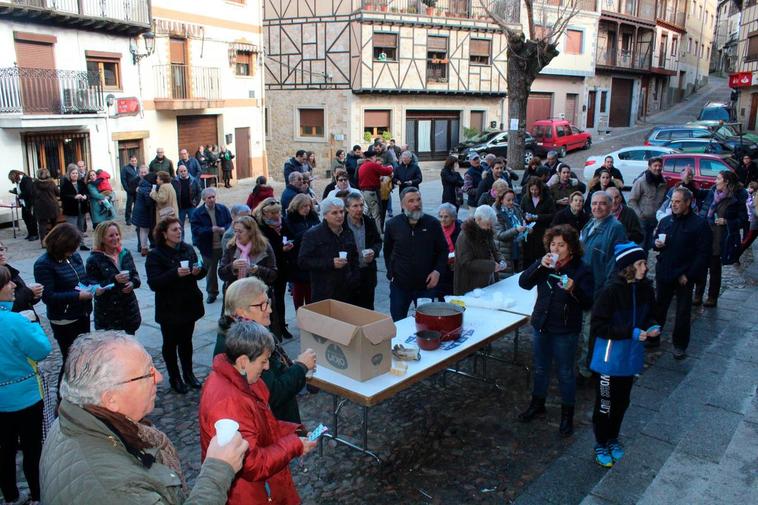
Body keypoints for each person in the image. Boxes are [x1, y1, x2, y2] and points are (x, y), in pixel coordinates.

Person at [40, 331, 248, 504]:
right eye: (147, 373)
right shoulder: (115, 490)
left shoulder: (72, 418)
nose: (159, 377)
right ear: (110, 399)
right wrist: (218, 470)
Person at [199, 321, 315, 505]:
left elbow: (264, 426)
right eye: (263, 361)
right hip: (250, 494)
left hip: (260, 489)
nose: (267, 367)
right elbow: (252, 464)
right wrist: (294, 445)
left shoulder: (245, 381)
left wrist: (295, 432)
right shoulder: (229, 403)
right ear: (243, 361)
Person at [518, 225, 594, 437]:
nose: (556, 248)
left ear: (571, 248)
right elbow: (523, 283)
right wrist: (538, 266)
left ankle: (567, 415)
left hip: (566, 328)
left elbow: (588, 302)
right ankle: (537, 404)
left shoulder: (582, 269)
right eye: (553, 244)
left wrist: (574, 289)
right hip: (542, 324)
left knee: (565, 373)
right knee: (540, 368)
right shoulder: (545, 265)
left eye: (561, 244)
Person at [589, 242, 659, 467]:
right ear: (628, 267)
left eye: (645, 263)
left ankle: (612, 438)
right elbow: (598, 326)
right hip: (609, 360)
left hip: (630, 358)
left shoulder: (646, 288)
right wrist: (630, 332)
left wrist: (653, 326)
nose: (645, 268)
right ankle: (600, 442)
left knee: (622, 402)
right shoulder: (610, 291)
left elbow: (651, 315)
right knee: (606, 404)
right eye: (640, 263)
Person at [214, 278, 316, 423]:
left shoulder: (245, 334)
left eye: (267, 302)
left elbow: (273, 373)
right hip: (274, 424)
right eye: (262, 305)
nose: (269, 309)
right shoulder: (245, 344)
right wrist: (301, 366)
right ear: (241, 311)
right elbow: (273, 394)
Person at [0, 266, 51, 505]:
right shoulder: (14, 321)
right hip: (26, 396)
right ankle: (38, 494)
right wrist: (31, 324)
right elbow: (42, 350)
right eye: (8, 283)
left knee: (4, 449)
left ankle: (9, 494)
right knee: (32, 448)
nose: (13, 287)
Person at [146, 217, 207, 394]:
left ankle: (189, 374)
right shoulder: (156, 254)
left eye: (180, 229)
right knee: (171, 344)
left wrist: (198, 271)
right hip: (169, 307)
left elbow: (201, 270)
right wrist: (175, 273)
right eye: (174, 229)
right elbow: (154, 283)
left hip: (189, 304)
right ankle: (175, 377)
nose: (179, 232)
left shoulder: (187, 249)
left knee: (186, 342)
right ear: (164, 234)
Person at [34, 223, 98, 389]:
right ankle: (63, 398)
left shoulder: (74, 256)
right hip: (64, 319)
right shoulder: (44, 264)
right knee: (70, 360)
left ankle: (82, 390)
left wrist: (94, 286)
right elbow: (49, 296)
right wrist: (78, 296)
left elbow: (83, 278)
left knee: (84, 356)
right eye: (71, 247)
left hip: (82, 313)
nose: (74, 250)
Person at [650, 187, 711, 358]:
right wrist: (656, 244)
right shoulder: (666, 221)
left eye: (677, 202)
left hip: (684, 276)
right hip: (664, 271)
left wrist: (689, 275)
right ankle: (654, 336)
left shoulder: (699, 224)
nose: (673, 205)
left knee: (683, 312)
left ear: (688, 202)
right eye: (672, 201)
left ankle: (680, 344)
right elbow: (654, 242)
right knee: (659, 308)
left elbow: (703, 254)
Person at [577, 191, 628, 381]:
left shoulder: (615, 228)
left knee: (591, 332)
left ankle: (587, 370)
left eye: (602, 204)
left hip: (599, 289)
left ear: (611, 206)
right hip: (584, 286)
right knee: (583, 329)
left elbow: (614, 265)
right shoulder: (591, 223)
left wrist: (605, 293)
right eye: (594, 204)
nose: (597, 207)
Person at [384, 188, 448, 321]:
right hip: (400, 286)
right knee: (398, 322)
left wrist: (437, 271)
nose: (416, 204)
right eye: (411, 201)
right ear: (402, 205)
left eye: (418, 200)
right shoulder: (392, 225)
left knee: (426, 322)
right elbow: (387, 252)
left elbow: (443, 250)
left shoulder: (433, 224)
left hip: (425, 286)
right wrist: (391, 274)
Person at [695, 170, 746, 307]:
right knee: (700, 267)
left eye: (718, 179)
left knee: (715, 269)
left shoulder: (735, 198)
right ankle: (698, 295)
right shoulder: (712, 193)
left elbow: (743, 219)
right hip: (705, 235)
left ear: (726, 182)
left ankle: (712, 297)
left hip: (720, 238)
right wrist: (687, 181)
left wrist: (727, 222)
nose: (715, 181)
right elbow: (698, 196)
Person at [298, 197, 359, 303]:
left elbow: (354, 257)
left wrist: (354, 278)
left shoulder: (348, 232)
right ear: (325, 215)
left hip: (347, 291)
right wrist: (331, 263)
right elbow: (303, 261)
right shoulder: (313, 235)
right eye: (334, 213)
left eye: (341, 212)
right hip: (324, 292)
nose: (340, 216)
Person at [85, 221, 141, 335]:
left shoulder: (125, 254)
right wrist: (114, 280)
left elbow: (135, 275)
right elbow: (93, 286)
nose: (115, 238)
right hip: (108, 314)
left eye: (117, 234)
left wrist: (133, 284)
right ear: (102, 238)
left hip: (128, 310)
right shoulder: (94, 260)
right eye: (111, 235)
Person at [254, 198, 294, 339]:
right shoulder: (260, 227)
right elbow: (263, 248)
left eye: (277, 212)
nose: (276, 215)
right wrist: (280, 247)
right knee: (269, 299)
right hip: (268, 268)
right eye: (272, 213)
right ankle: (272, 327)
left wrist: (288, 243)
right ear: (264, 214)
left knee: (280, 298)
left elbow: (290, 235)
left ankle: (282, 325)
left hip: (282, 267)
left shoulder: (282, 223)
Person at [190, 188, 232, 304]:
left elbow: (231, 222)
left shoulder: (222, 209)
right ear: (204, 199)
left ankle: (229, 291)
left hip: (224, 246)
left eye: (213, 197)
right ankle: (212, 293)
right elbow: (196, 230)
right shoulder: (197, 213)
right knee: (211, 272)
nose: (212, 199)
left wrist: (225, 229)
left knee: (227, 270)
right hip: (208, 247)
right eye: (209, 198)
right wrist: (210, 230)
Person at [218, 216, 277, 296]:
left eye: (240, 232)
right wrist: (232, 266)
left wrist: (257, 269)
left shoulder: (264, 247)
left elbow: (273, 275)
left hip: (259, 295)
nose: (237, 235)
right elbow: (221, 274)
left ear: (251, 232)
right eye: (235, 231)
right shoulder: (231, 246)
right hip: (235, 295)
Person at [453, 206, 504, 295]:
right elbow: (466, 262)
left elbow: (494, 249)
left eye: (490, 225)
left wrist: (501, 260)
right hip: (470, 285)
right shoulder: (465, 236)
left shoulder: (486, 230)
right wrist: (491, 265)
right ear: (478, 219)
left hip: (487, 281)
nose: (489, 227)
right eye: (488, 224)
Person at [345, 193, 382, 309]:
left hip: (367, 273)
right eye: (355, 206)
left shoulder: (369, 222)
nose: (359, 209)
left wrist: (373, 251)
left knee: (368, 309)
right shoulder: (342, 225)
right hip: (349, 274)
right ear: (347, 208)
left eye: (361, 205)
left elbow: (378, 242)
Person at [284, 194, 320, 309]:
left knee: (311, 290)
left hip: (312, 256)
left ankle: (310, 316)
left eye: (308, 206)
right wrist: (308, 233)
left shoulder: (313, 217)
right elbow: (290, 238)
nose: (307, 209)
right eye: (303, 206)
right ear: (296, 206)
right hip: (297, 257)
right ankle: (299, 314)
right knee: (299, 290)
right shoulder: (289, 219)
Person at [628, 157, 667, 251]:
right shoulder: (641, 182)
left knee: (649, 245)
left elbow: (664, 201)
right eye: (655, 166)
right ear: (649, 167)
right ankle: (638, 264)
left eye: (660, 166)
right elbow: (632, 201)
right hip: (642, 220)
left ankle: (644, 263)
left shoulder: (664, 183)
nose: (658, 168)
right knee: (641, 245)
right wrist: (640, 215)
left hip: (655, 220)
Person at [0, 240, 43, 317]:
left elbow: (24, 298)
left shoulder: (10, 270)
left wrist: (35, 295)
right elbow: (7, 303)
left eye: (1, 249)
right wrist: (29, 292)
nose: (0, 254)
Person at [521, 177, 556, 267]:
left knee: (541, 254)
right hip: (529, 232)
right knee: (528, 255)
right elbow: (521, 211)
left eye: (536, 190)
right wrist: (525, 216)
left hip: (542, 231)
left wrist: (537, 217)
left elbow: (552, 215)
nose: (534, 192)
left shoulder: (547, 199)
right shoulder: (526, 198)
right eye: (532, 189)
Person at [493, 188, 528, 276]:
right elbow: (500, 235)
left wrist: (527, 229)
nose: (511, 202)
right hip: (505, 250)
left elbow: (521, 222)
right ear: (501, 200)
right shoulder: (497, 214)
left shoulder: (516, 208)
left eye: (513, 199)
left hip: (517, 247)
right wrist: (516, 230)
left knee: (517, 274)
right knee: (506, 277)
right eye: (508, 200)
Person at [358, 148, 394, 228]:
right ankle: (378, 235)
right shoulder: (372, 165)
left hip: (365, 192)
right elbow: (386, 171)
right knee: (376, 215)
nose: (375, 158)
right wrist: (391, 167)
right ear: (371, 157)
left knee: (368, 213)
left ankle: (367, 230)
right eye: (374, 157)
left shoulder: (362, 166)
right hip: (371, 192)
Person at [60, 164, 90, 251]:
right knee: (72, 228)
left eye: (76, 173)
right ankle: (71, 246)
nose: (75, 175)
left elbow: (87, 193)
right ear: (69, 174)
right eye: (73, 173)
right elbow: (63, 196)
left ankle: (82, 244)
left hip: (81, 208)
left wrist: (85, 196)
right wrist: (74, 197)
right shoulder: (66, 184)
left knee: (81, 227)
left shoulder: (81, 183)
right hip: (71, 209)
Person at [437, 203, 462, 298]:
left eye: (446, 217)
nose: (443, 219)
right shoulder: (436, 228)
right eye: (441, 216)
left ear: (453, 217)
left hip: (456, 267)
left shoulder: (460, 229)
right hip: (441, 267)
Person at [173, 164, 202, 239]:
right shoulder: (175, 181)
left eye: (184, 171)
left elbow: (199, 192)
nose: (183, 172)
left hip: (191, 206)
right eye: (181, 171)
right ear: (178, 172)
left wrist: (196, 202)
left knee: (194, 224)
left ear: (187, 171)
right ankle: (181, 241)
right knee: (180, 225)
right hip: (180, 207)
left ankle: (195, 240)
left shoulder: (193, 180)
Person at [7, 169, 38, 241]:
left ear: (15, 176)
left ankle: (35, 234)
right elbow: (20, 190)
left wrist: (19, 195)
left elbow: (28, 192)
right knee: (25, 218)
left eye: (13, 179)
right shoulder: (19, 181)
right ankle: (30, 233)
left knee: (31, 219)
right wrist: (15, 191)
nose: (13, 181)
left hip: (30, 202)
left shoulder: (26, 179)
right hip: (24, 203)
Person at [132, 167, 156, 256]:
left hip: (139, 211)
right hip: (144, 212)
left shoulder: (141, 184)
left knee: (143, 230)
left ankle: (143, 247)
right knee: (145, 230)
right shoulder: (147, 187)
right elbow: (148, 201)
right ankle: (144, 248)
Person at [33, 168, 60, 245]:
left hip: (40, 206)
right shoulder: (51, 183)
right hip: (52, 205)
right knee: (54, 223)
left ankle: (43, 241)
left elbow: (32, 194)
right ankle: (54, 240)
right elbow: (58, 193)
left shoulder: (35, 183)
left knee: (42, 224)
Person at [739, 181, 758, 258]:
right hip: (754, 222)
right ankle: (736, 256)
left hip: (753, 221)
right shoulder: (752, 195)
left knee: (747, 239)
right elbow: (754, 210)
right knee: (747, 241)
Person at [120, 155, 139, 225]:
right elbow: (123, 179)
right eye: (132, 161)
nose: (134, 162)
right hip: (130, 190)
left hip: (137, 190)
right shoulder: (125, 168)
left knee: (137, 205)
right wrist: (127, 189)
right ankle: (128, 219)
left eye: (135, 161)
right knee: (129, 205)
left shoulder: (138, 168)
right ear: (129, 161)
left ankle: (135, 218)